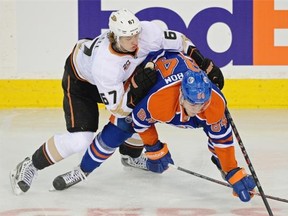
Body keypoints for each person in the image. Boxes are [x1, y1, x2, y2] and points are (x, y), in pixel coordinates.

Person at [10, 8, 224, 195]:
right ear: (114, 37)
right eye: (128, 38)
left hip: (120, 81)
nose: (135, 41)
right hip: (82, 83)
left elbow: (181, 41)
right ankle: (31, 164)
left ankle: (130, 156)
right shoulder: (106, 66)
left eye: (136, 34)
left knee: (145, 110)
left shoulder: (146, 32)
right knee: (81, 139)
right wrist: (135, 92)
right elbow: (120, 110)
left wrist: (203, 63)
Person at [53, 51, 255, 203]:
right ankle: (83, 169)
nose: (198, 108)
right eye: (193, 103)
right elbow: (141, 123)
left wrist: (232, 171)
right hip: (150, 85)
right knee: (118, 131)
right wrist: (154, 148)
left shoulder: (214, 103)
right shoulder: (161, 101)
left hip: (176, 69)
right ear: (182, 96)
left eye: (203, 103)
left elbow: (222, 139)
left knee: (215, 128)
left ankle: (221, 165)